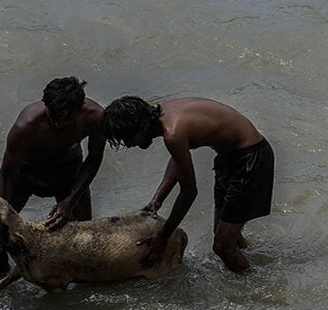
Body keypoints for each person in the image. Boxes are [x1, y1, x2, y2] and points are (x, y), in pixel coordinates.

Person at [99, 96, 274, 273]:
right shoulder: (163, 114)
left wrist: (163, 236)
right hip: (229, 157)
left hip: (250, 159)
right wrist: (157, 200)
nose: (130, 145)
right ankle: (249, 259)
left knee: (222, 247)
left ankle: (253, 286)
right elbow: (178, 158)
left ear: (141, 126)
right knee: (224, 234)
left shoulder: (173, 132)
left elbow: (189, 192)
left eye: (128, 138)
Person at [0, 77, 104, 274]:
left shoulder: (95, 117)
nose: (60, 123)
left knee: (85, 235)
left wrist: (70, 201)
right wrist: (2, 215)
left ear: (80, 108)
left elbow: (94, 159)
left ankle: (81, 282)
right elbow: (6, 174)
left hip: (69, 174)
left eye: (67, 119)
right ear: (45, 105)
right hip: (26, 174)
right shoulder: (26, 126)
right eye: (55, 117)